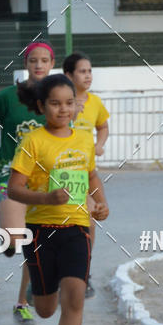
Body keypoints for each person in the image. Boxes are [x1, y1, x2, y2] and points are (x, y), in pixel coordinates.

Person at [8, 74, 109, 325]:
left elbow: (91, 175)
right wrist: (47, 198)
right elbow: (14, 189)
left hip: (77, 228)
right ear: (41, 106)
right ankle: (36, 290)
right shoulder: (34, 142)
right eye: (55, 103)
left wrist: (100, 201)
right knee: (46, 310)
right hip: (40, 231)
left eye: (69, 103)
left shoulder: (82, 139)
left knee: (76, 297)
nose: (63, 109)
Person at [0, 42, 54, 325]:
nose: (39, 65)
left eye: (44, 60)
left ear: (52, 64)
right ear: (26, 64)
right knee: (14, 236)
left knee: (35, 241)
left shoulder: (56, 99)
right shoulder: (9, 97)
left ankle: (22, 302)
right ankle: (10, 241)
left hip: (42, 178)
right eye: (33, 60)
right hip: (9, 172)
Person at [62, 51, 110, 299]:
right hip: (58, 170)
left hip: (83, 171)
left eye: (90, 71)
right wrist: (72, 113)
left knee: (89, 222)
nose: (88, 75)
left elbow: (103, 126)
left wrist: (99, 144)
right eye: (82, 71)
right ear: (68, 75)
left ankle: (84, 273)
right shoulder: (60, 101)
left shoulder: (95, 102)